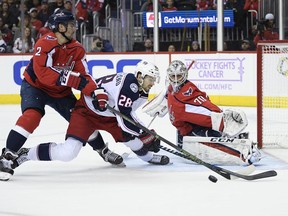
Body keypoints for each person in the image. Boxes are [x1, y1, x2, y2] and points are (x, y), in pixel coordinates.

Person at [0, 10, 122, 181]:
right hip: (36, 87)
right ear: (60, 27)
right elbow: (43, 74)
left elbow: (84, 75)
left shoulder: (77, 48)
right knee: (32, 116)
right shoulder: (45, 43)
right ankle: (6, 157)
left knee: (83, 119)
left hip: (61, 92)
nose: (74, 28)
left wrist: (95, 91)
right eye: (71, 25)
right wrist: (73, 80)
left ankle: (102, 150)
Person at [3, 60, 170, 179]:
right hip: (86, 113)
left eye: (154, 80)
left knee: (132, 140)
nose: (153, 83)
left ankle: (149, 158)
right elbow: (126, 120)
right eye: (150, 78)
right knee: (68, 153)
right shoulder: (130, 86)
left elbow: (128, 117)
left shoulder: (140, 89)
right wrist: (144, 133)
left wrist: (143, 134)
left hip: (111, 115)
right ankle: (27, 154)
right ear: (140, 75)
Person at [142, 60, 261, 166]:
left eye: (179, 76)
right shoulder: (171, 89)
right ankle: (228, 137)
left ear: (185, 75)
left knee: (214, 144)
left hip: (191, 131)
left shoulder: (185, 97)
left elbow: (204, 107)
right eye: (173, 76)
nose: (176, 80)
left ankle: (245, 154)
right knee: (213, 136)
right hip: (185, 130)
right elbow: (170, 93)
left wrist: (222, 119)